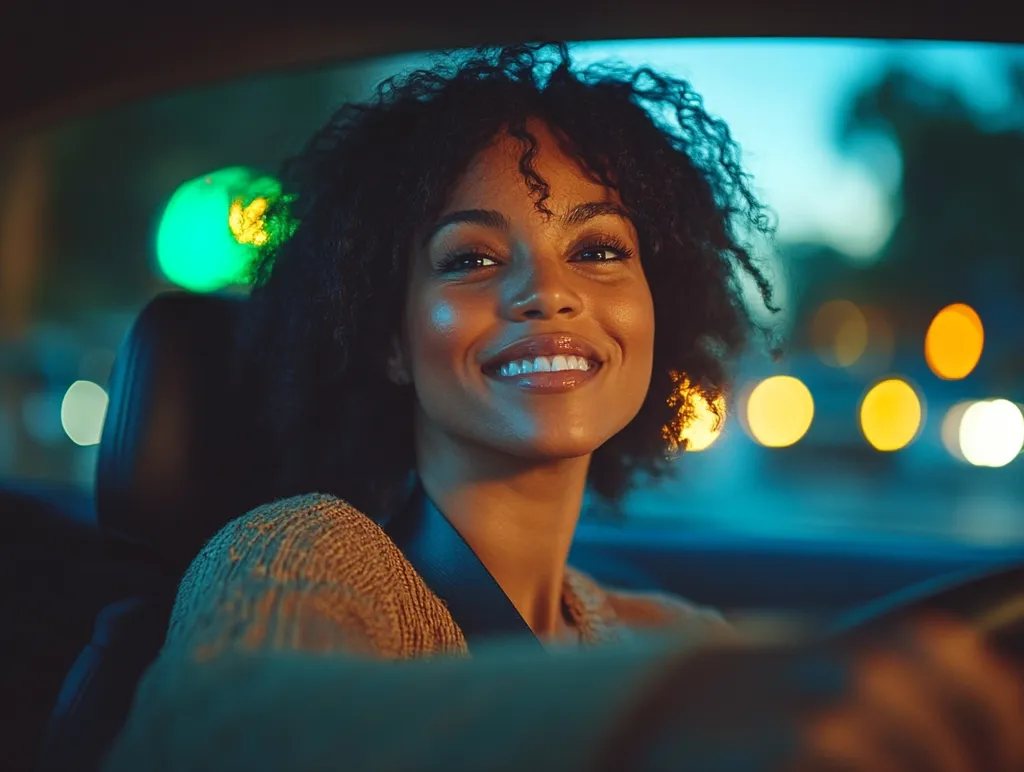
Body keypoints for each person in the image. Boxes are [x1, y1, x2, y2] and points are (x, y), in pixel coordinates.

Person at [105, 43, 1023, 771]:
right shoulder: (304, 548)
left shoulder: (668, 630)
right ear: (388, 339)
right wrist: (680, 708)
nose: (547, 294)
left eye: (598, 252)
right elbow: (209, 732)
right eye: (469, 258)